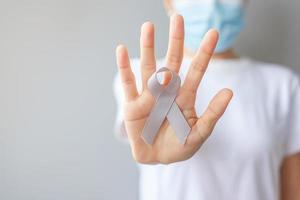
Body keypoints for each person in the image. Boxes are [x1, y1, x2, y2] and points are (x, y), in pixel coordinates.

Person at [113, 0, 300, 199]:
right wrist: (152, 139)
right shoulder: (144, 81)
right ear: (168, 2)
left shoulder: (283, 86)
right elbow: (145, 140)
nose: (212, 4)